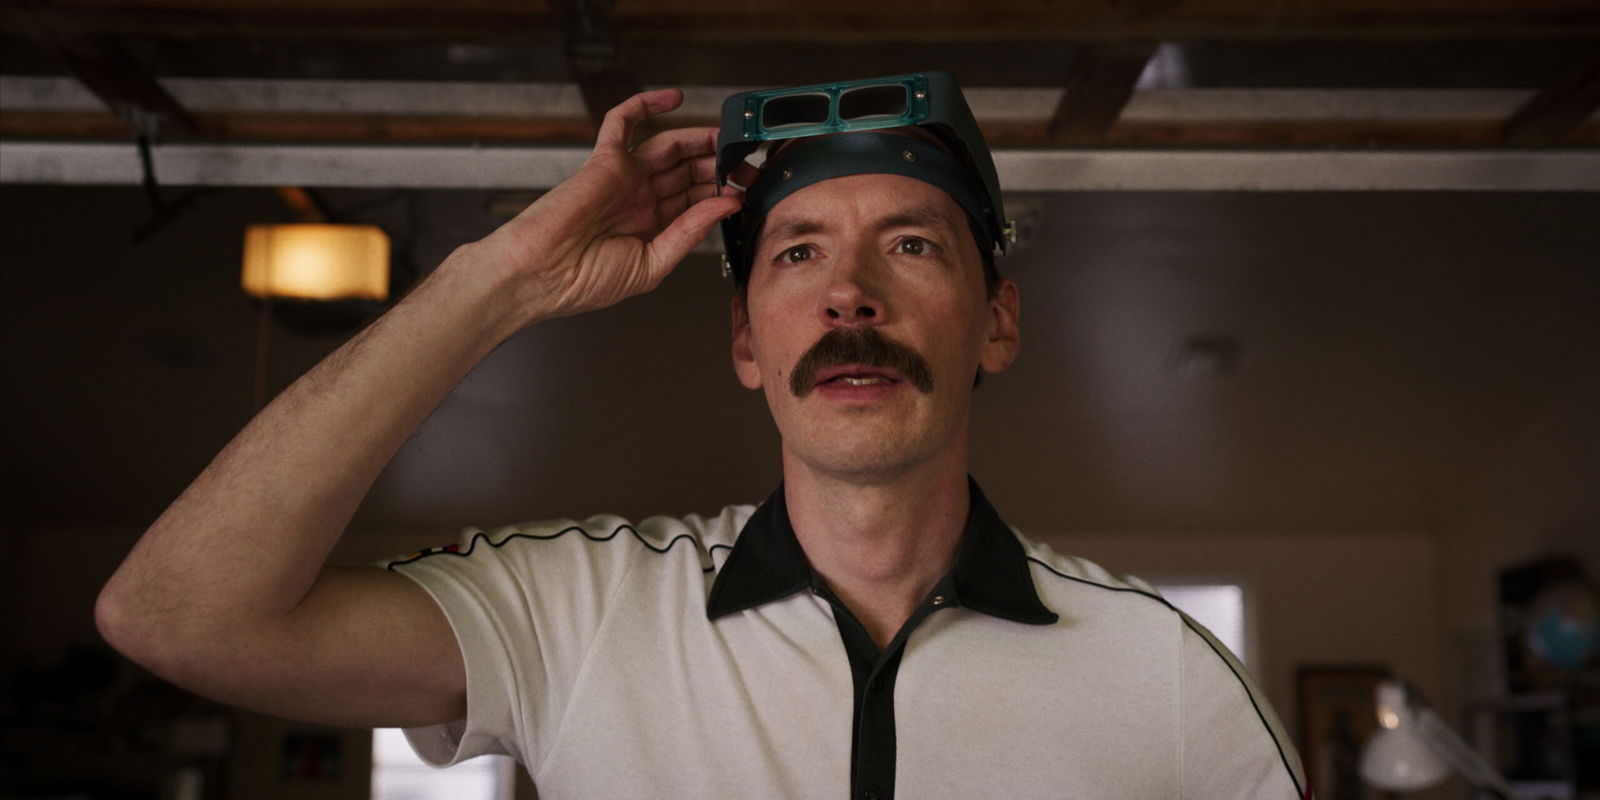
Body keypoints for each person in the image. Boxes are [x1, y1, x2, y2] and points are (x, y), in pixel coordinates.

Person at [97, 73, 1307, 799]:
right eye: (798, 253)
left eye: (911, 244)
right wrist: (498, 280)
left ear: (997, 321)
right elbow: (174, 615)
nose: (849, 295)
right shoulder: (578, 610)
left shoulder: (1167, 671)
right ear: (745, 339)